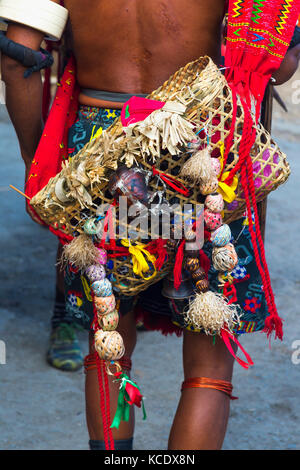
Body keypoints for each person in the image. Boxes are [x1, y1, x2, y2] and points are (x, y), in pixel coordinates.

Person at [1, 0, 300, 451]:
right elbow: (276, 63)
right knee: (209, 361)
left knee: (108, 339)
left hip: (99, 147)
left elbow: (16, 54)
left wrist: (34, 160)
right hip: (205, 145)